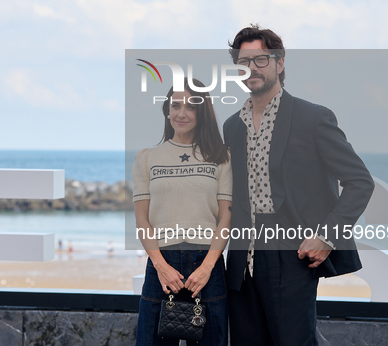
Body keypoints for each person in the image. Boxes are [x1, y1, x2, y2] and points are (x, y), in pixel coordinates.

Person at [223, 25, 375, 345]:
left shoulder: (313, 118)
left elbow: (360, 182)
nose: (251, 68)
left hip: (291, 255)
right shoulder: (232, 126)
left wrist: (327, 235)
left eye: (260, 60)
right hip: (240, 260)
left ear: (279, 63)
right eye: (243, 61)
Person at [133, 78, 232, 345]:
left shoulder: (222, 157)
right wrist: (161, 266)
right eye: (175, 105)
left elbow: (226, 217)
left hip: (207, 267)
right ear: (166, 110)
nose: (182, 113)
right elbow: (142, 219)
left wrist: (207, 267)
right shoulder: (146, 158)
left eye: (191, 107)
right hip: (161, 266)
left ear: (202, 112)